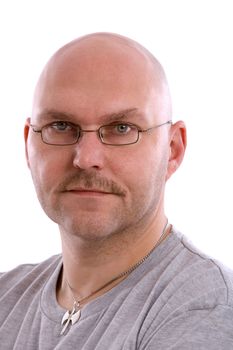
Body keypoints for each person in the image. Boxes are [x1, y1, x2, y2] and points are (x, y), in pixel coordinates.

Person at [0, 32, 233, 350]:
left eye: (123, 129)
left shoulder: (202, 308)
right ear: (29, 145)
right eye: (61, 126)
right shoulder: (5, 298)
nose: (86, 159)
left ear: (173, 150)